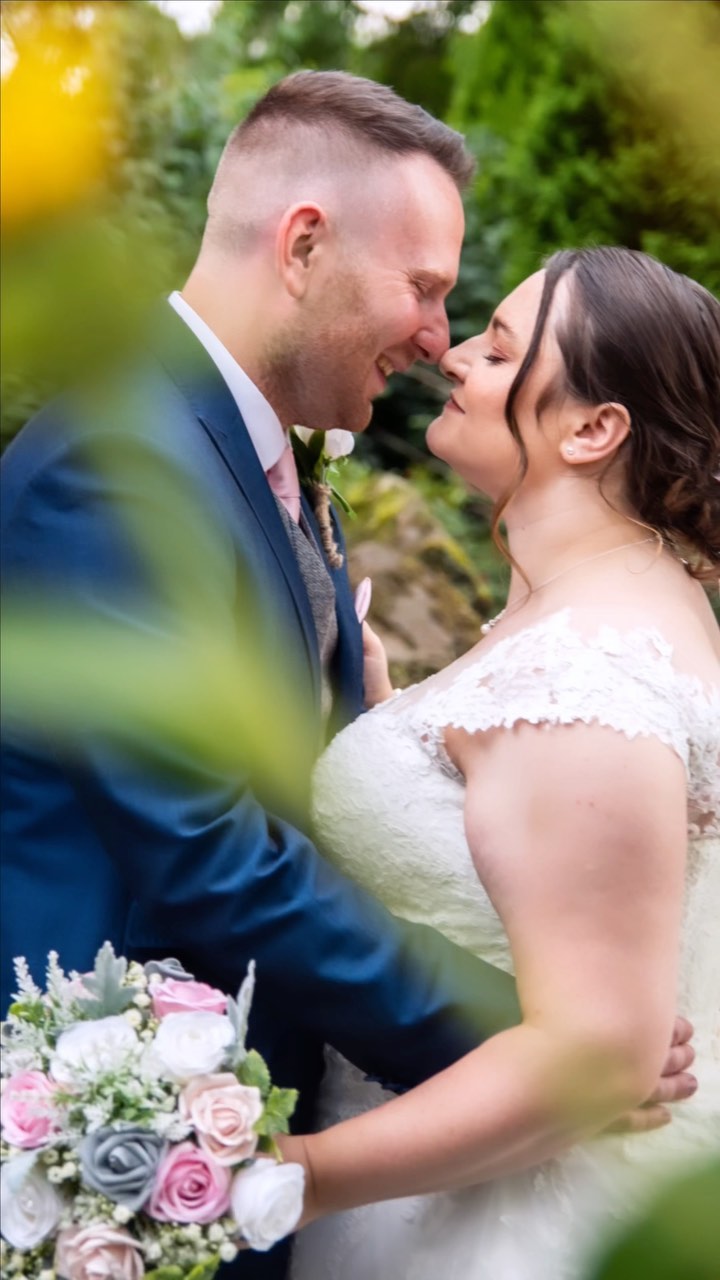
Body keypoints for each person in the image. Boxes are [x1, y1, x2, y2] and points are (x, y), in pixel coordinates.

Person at [0, 71, 694, 1276]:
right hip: (113, 1142)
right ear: (305, 245)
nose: (438, 335)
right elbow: (205, 843)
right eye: (427, 289)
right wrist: (534, 1044)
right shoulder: (120, 464)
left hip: (260, 1134)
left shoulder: (259, 455)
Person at [284, 246, 720, 1280]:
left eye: (501, 347)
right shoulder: (592, 619)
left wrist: (284, 1175)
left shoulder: (586, 672)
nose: (452, 352)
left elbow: (599, 1058)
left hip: (490, 1235)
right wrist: (388, 713)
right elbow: (502, 831)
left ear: (592, 428)